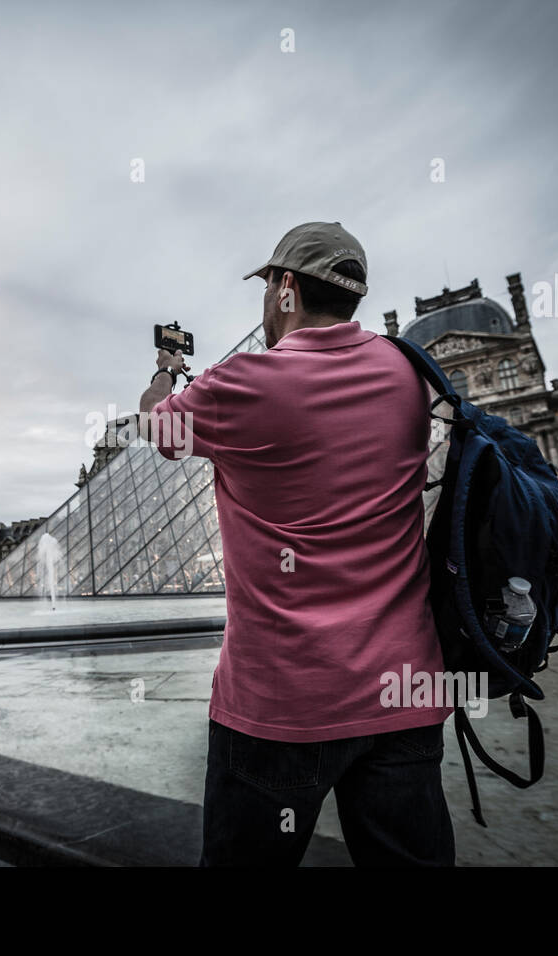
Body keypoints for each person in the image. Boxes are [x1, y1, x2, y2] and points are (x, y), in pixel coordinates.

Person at [139, 222, 455, 866]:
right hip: (406, 693)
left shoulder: (248, 381)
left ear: (285, 288)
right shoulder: (408, 375)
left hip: (280, 704)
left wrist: (167, 371)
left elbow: (154, 426)